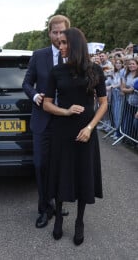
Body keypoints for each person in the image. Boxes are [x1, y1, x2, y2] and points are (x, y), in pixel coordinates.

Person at [43, 27, 108, 246]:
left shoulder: (95, 70)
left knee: (83, 174)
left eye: (63, 42)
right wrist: (66, 111)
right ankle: (59, 218)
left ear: (75, 44)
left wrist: (90, 128)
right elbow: (47, 103)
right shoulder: (57, 72)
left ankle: (80, 221)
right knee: (61, 173)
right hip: (62, 130)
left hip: (85, 131)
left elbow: (103, 103)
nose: (59, 46)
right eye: (58, 42)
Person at [22, 15, 70, 229]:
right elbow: (26, 83)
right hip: (42, 120)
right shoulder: (39, 55)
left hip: (66, 121)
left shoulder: (74, 55)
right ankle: (44, 208)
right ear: (49, 32)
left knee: (61, 165)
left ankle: (58, 204)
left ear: (67, 32)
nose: (59, 36)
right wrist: (34, 96)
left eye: (62, 32)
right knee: (41, 165)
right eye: (55, 32)